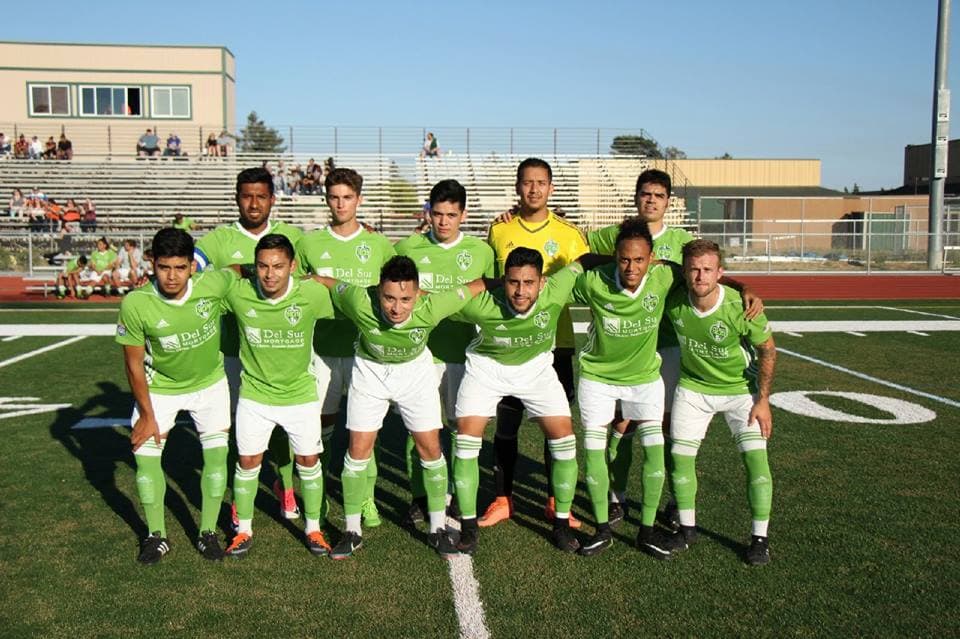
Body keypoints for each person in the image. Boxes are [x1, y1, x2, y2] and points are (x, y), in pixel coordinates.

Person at [585, 169, 763, 528]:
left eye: (658, 195)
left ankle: (669, 499)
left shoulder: (681, 239)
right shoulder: (611, 235)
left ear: (669, 202)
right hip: (624, 347)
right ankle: (615, 495)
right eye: (645, 193)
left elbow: (701, 271)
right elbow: (577, 253)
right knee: (621, 424)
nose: (651, 200)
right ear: (635, 197)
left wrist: (741, 284)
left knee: (666, 427)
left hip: (669, 345)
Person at [311, 256, 488, 559]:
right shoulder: (357, 299)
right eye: (389, 297)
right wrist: (305, 279)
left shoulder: (432, 306)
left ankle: (435, 528)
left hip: (415, 375)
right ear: (376, 291)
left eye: (405, 299)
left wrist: (502, 283)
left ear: (418, 295)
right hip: (370, 374)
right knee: (357, 451)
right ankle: (352, 531)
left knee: (430, 449)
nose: (396, 307)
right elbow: (328, 282)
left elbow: (473, 287)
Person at [452, 247, 609, 555]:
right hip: (486, 369)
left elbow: (585, 261)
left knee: (564, 439)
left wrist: (646, 260)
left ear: (542, 282)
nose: (520, 291)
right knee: (466, 441)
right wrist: (484, 283)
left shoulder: (556, 288)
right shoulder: (481, 304)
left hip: (537, 370)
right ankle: (468, 528)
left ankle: (561, 523)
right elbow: (434, 299)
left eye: (528, 282)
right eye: (512, 282)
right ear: (504, 281)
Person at [115, 228, 238, 563]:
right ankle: (156, 536)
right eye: (164, 267)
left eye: (180, 268)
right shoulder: (136, 303)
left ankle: (207, 531)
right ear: (153, 264)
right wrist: (148, 414)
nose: (172, 276)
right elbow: (133, 364)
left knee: (216, 458)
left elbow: (238, 271)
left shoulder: (212, 285)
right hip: (159, 390)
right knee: (144, 455)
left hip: (210, 385)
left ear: (192, 267)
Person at [482, 157, 588, 529]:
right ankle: (502, 499)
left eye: (541, 182)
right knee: (506, 426)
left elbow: (585, 276)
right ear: (517, 186)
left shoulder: (570, 235)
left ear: (551, 188)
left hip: (555, 342)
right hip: (509, 344)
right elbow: (492, 284)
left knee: (554, 426)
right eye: (527, 182)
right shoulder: (499, 231)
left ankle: (556, 501)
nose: (534, 189)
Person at [194, 167, 305, 520]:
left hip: (281, 351)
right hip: (230, 350)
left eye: (261, 196)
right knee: (233, 429)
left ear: (272, 198)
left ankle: (285, 486)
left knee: (283, 428)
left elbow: (310, 277)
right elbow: (190, 269)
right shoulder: (220, 239)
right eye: (246, 195)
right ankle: (238, 495)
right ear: (237, 198)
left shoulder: (292, 236)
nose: (253, 203)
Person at [571, 218, 684, 557]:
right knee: (593, 453)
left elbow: (697, 271)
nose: (631, 267)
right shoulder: (593, 281)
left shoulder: (665, 277)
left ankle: (646, 530)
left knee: (654, 451)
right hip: (597, 378)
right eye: (624, 259)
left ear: (652, 259)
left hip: (645, 379)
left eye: (639, 260)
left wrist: (743, 288)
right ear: (614, 257)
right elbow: (553, 286)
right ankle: (603, 529)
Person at [663, 239, 777, 565]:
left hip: (741, 393)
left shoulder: (741, 307)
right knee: (680, 457)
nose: (700, 276)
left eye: (707, 270)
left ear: (720, 273)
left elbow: (768, 349)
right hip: (693, 389)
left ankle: (759, 539)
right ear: (685, 272)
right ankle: (686, 530)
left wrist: (763, 400)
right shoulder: (674, 301)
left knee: (756, 461)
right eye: (694, 270)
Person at [223, 234, 336, 558]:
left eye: (278, 266)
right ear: (253, 267)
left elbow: (349, 296)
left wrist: (318, 278)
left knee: (309, 461)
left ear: (292, 267)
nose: (270, 274)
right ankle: (243, 530)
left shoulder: (311, 293)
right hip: (255, 396)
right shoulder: (240, 293)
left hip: (300, 396)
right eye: (262, 266)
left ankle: (313, 528)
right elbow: (214, 280)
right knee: (248, 462)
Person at [295, 168, 395, 528]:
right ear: (326, 199)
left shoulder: (379, 245)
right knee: (318, 426)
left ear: (359, 199)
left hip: (364, 351)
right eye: (334, 197)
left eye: (347, 197)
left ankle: (366, 499)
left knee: (365, 429)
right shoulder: (308, 244)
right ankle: (317, 500)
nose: (341, 204)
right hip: (320, 349)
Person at [394, 179, 496, 524]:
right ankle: (421, 496)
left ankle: (454, 491)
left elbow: (494, 299)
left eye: (451, 215)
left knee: (459, 428)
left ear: (463, 214)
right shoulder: (408, 247)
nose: (443, 222)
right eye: (437, 214)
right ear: (429, 213)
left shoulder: (482, 252)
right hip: (419, 354)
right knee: (418, 428)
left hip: (464, 354)